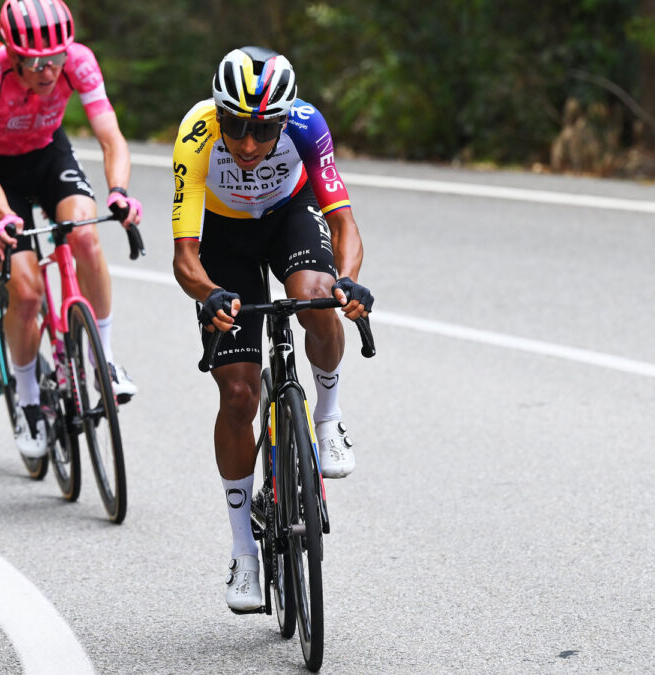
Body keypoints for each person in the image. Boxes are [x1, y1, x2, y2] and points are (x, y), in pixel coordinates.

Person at [171, 46, 374, 612]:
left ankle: (329, 419)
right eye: (237, 126)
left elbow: (343, 221)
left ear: (284, 119)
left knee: (317, 299)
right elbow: (185, 257)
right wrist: (207, 293)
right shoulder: (196, 135)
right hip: (222, 235)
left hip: (289, 215)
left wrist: (349, 280)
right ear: (219, 114)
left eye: (264, 130)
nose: (250, 144)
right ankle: (243, 553)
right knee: (238, 394)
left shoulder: (308, 125)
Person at [0, 0, 142, 460]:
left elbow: (111, 137)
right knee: (25, 294)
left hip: (48, 155)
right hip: (2, 174)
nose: (49, 73)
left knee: (85, 233)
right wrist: (3, 216)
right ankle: (26, 400)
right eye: (37, 63)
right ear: (13, 56)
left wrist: (119, 190)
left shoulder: (78, 61)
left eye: (56, 59)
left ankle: (103, 359)